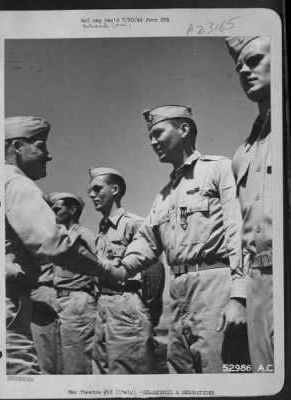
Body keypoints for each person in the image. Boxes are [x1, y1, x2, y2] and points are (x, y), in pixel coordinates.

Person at [107, 105, 248, 373]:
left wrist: (239, 296)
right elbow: (146, 242)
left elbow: (238, 231)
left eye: (157, 133)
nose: (152, 142)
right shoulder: (163, 195)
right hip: (178, 293)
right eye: (150, 136)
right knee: (180, 377)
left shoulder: (218, 169)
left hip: (215, 287)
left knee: (218, 374)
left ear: (183, 129)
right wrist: (116, 268)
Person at [5, 116, 115, 374]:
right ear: (18, 146)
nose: (49, 155)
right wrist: (104, 270)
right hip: (10, 298)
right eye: (41, 146)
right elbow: (55, 244)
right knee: (20, 374)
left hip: (65, 302)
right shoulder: (16, 183)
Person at [225, 36, 273, 372]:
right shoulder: (242, 153)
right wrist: (240, 295)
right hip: (257, 284)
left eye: (254, 60)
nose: (243, 69)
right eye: (239, 65)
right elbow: (238, 232)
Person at [88, 167, 165, 374]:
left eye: (97, 189)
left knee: (128, 376)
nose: (91, 195)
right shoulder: (102, 229)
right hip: (103, 307)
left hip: (127, 305)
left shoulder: (134, 223)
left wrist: (147, 310)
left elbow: (155, 269)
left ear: (114, 189)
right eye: (90, 191)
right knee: (102, 377)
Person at [48, 192, 97, 374]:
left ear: (73, 210)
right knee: (64, 366)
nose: (53, 214)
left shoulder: (84, 235)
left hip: (78, 302)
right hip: (61, 302)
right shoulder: (61, 237)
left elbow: (101, 266)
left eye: (57, 209)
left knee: (78, 367)